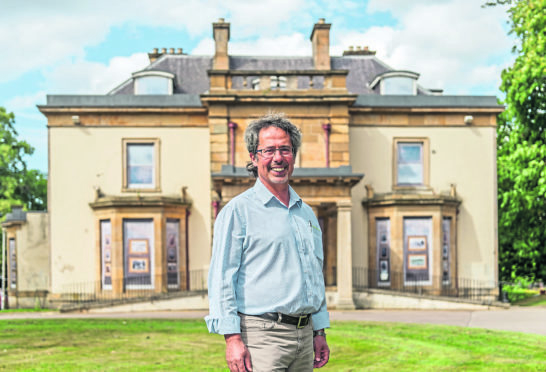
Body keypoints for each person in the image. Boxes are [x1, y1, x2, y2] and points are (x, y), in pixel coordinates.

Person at [205, 113, 330, 371]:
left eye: (285, 149)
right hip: (260, 338)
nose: (278, 158)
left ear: (293, 155)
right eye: (268, 150)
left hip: (304, 336)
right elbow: (222, 277)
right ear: (254, 157)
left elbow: (314, 275)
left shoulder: (305, 213)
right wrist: (232, 338)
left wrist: (320, 331)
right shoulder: (237, 212)